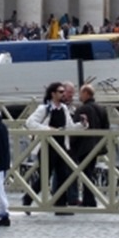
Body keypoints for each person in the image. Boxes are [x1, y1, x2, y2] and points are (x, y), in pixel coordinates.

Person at [25, 81, 84, 213]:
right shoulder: (44, 109)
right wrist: (48, 129)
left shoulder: (64, 108)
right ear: (53, 94)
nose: (64, 94)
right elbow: (29, 122)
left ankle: (60, 206)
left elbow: (69, 127)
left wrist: (82, 124)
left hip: (61, 146)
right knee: (44, 177)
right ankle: (28, 199)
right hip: (46, 147)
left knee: (63, 175)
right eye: (61, 92)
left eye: (64, 92)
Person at [71, 83, 109, 208]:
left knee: (85, 173)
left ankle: (89, 200)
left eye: (81, 93)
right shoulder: (101, 108)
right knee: (89, 172)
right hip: (96, 145)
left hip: (83, 146)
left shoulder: (81, 109)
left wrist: (71, 144)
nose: (79, 96)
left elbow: (75, 128)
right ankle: (89, 199)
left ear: (86, 93)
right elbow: (106, 127)